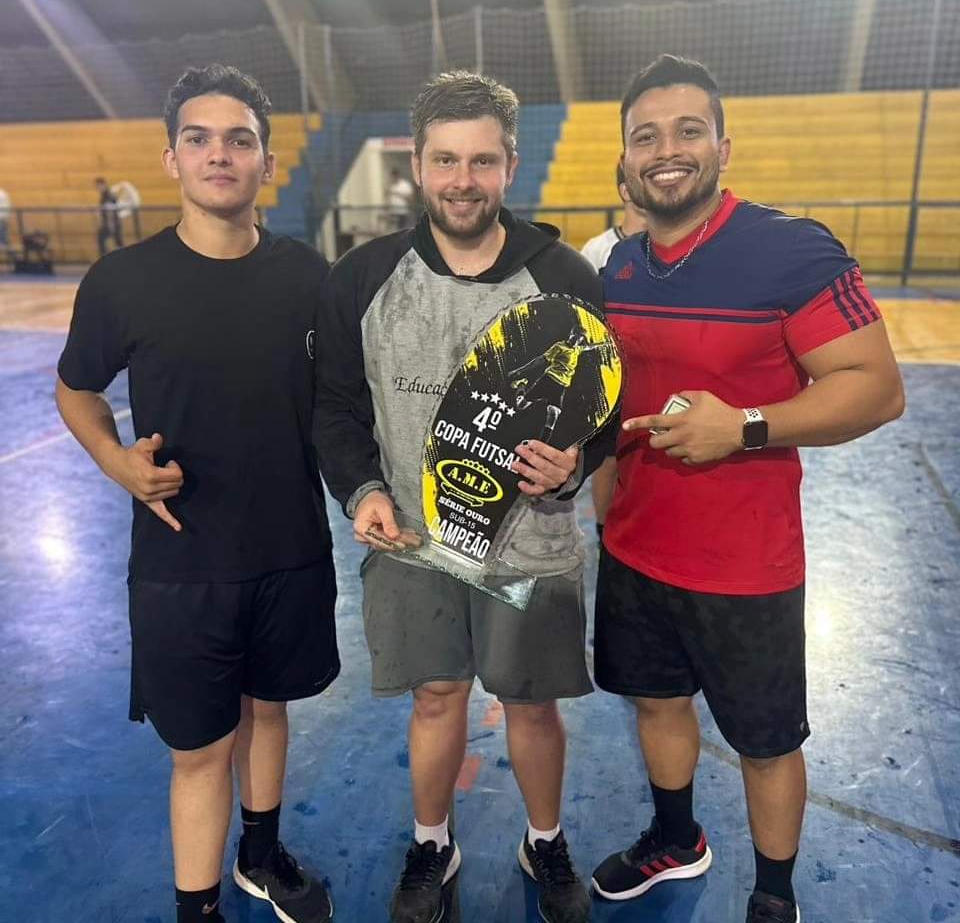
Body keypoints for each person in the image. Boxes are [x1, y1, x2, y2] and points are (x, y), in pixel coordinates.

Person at [590, 54, 904, 923]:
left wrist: (748, 425)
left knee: (766, 744)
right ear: (624, 161)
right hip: (635, 549)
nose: (666, 149)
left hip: (747, 567)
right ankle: (676, 838)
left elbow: (877, 389)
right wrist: (602, 501)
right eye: (645, 136)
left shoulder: (788, 251)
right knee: (656, 704)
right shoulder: (615, 267)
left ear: (723, 145)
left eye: (688, 130)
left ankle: (773, 896)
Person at [314, 70, 613, 923]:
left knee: (531, 700)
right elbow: (335, 407)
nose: (462, 179)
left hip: (532, 546)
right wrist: (362, 490)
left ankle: (544, 843)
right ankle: (432, 844)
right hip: (414, 543)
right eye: (444, 159)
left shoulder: (563, 276)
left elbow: (606, 412)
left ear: (510, 165)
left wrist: (577, 463)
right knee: (436, 695)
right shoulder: (364, 277)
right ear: (417, 162)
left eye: (481, 160)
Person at [56, 64, 338, 923]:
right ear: (172, 157)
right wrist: (116, 463)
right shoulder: (121, 281)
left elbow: (342, 401)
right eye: (200, 138)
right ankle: (198, 906)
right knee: (200, 750)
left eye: (240, 139)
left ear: (267, 161)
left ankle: (260, 850)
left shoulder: (307, 277)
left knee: (270, 710)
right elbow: (77, 390)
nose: (221, 154)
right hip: (182, 566)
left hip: (290, 550)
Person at [579, 163, 647, 541]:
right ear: (624, 189)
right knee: (607, 458)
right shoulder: (598, 249)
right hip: (611, 372)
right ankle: (606, 536)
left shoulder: (674, 246)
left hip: (654, 371)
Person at [95, 176, 124, 256]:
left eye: (98, 186)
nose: (97, 188)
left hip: (112, 223)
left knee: (117, 243)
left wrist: (111, 226)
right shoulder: (105, 195)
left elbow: (110, 212)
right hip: (111, 223)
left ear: (103, 185)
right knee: (117, 242)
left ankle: (105, 257)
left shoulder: (108, 196)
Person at [386, 166, 417, 230]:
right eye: (391, 177)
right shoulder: (391, 185)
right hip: (392, 212)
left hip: (402, 212)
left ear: (397, 176)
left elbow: (410, 198)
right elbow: (389, 198)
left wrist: (397, 194)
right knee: (393, 231)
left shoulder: (405, 185)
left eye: (393, 177)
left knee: (402, 230)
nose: (392, 178)